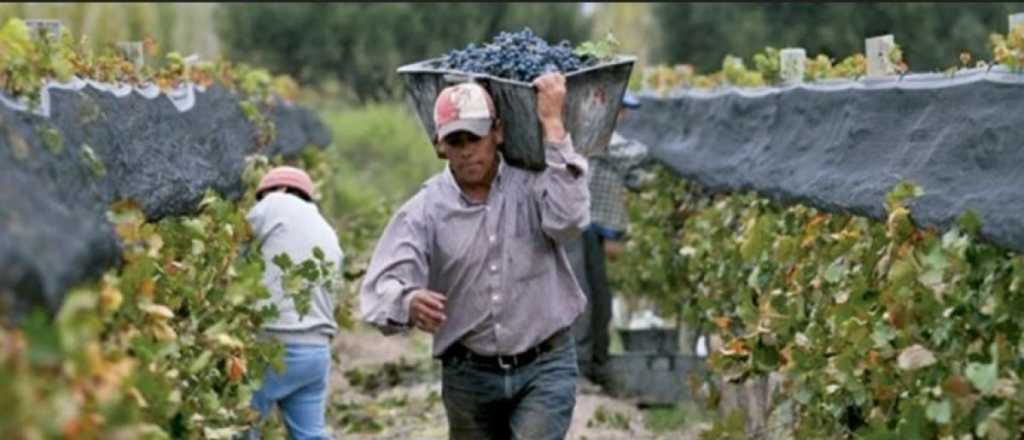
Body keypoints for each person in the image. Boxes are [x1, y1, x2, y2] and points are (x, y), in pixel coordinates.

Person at [359, 73, 589, 440]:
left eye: (475, 137)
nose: (467, 150)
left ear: (497, 133)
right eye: (456, 140)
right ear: (439, 145)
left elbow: (571, 221)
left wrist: (553, 125)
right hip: (469, 376)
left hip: (545, 364)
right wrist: (408, 300)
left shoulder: (532, 186)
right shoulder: (424, 211)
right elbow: (378, 290)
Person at [245, 166, 344, 440]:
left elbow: (233, 244)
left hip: (275, 348)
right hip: (316, 353)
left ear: (280, 190)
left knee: (239, 427)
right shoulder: (327, 230)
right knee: (311, 435)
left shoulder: (275, 203)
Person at [567, 92, 650, 386]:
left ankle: (596, 364)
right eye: (621, 109)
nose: (624, 116)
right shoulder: (592, 136)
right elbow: (629, 155)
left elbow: (632, 176)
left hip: (597, 226)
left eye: (626, 111)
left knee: (600, 298)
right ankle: (580, 366)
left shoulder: (605, 140)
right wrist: (665, 155)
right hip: (580, 225)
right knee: (584, 297)